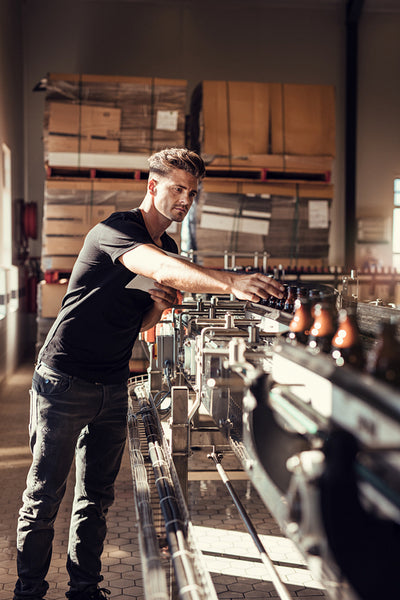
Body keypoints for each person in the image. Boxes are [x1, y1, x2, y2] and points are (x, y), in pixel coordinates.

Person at [14, 147, 284, 600]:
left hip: (112, 384)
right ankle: (28, 592)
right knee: (43, 500)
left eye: (192, 192)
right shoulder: (116, 231)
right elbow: (157, 266)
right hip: (63, 382)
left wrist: (157, 308)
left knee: (96, 499)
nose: (185, 200)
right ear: (152, 186)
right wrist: (230, 280)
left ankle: (84, 589)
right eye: (178, 188)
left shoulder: (171, 246)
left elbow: (137, 320)